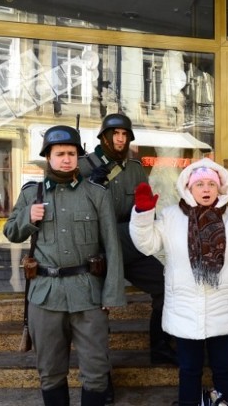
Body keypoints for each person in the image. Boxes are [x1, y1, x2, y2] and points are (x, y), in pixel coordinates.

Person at [129, 158, 228, 406]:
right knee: (189, 371)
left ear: (220, 188)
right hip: (184, 311)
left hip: (222, 309)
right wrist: (142, 215)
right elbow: (147, 244)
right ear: (188, 188)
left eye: (211, 184)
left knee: (223, 370)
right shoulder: (171, 217)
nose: (206, 189)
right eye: (199, 184)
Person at [3, 125, 126, 406]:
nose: (66, 159)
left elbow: (112, 247)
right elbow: (11, 232)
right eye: (60, 153)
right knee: (50, 372)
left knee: (96, 372)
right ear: (48, 157)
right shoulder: (31, 194)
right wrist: (28, 219)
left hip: (89, 296)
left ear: (78, 157)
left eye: (71, 153)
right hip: (45, 297)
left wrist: (111, 294)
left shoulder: (96, 194)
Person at [78, 113, 177, 369]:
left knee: (167, 286)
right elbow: (73, 211)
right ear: (104, 137)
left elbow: (145, 209)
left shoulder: (134, 168)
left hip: (130, 245)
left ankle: (161, 352)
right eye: (115, 134)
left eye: (125, 134)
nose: (120, 139)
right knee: (95, 311)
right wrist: (90, 185)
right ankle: (100, 375)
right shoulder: (84, 166)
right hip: (96, 250)